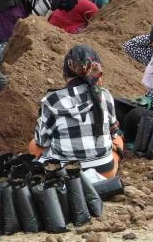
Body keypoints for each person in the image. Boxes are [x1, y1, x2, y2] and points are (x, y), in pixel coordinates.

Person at [28, 45, 123, 178]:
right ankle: (108, 173)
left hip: (64, 174)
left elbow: (42, 142)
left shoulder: (53, 100)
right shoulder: (105, 95)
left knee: (33, 145)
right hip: (104, 171)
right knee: (118, 140)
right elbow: (113, 132)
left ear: (66, 72)